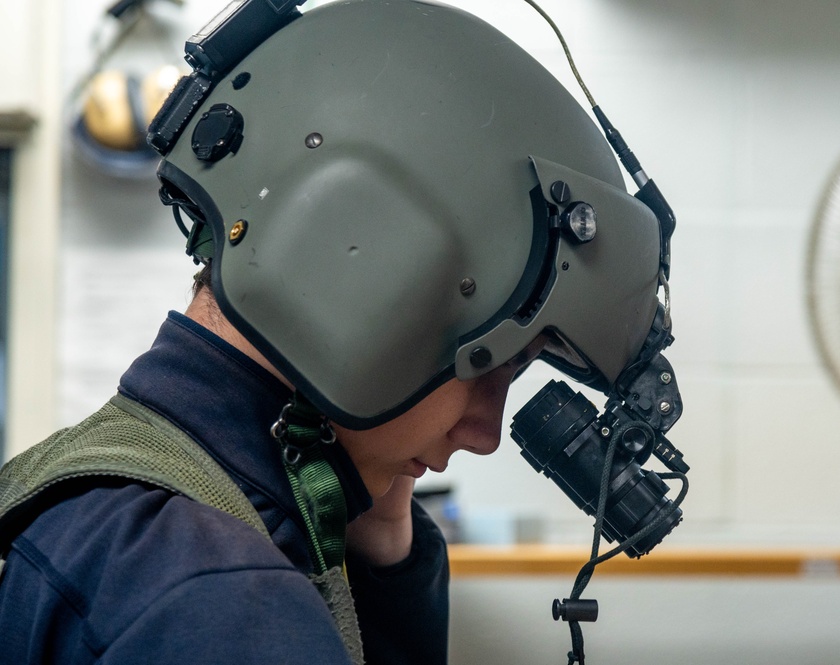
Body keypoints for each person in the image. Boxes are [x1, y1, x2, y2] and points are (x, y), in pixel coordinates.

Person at [0, 0, 681, 663]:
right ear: (368, 277)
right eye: (496, 361)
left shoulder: (87, 493)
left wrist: (381, 556)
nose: (485, 431)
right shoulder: (225, 610)